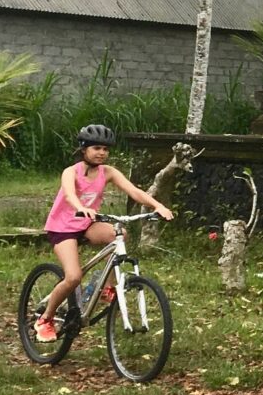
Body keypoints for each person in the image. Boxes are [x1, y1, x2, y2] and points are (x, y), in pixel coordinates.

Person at [34, 124, 173, 342]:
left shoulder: (108, 172)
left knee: (118, 234)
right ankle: (45, 319)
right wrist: (81, 206)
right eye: (96, 148)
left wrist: (158, 206)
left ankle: (106, 287)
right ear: (83, 149)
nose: (102, 153)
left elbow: (135, 191)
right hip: (63, 228)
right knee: (73, 277)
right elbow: (70, 194)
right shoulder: (71, 172)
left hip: (87, 224)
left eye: (106, 149)